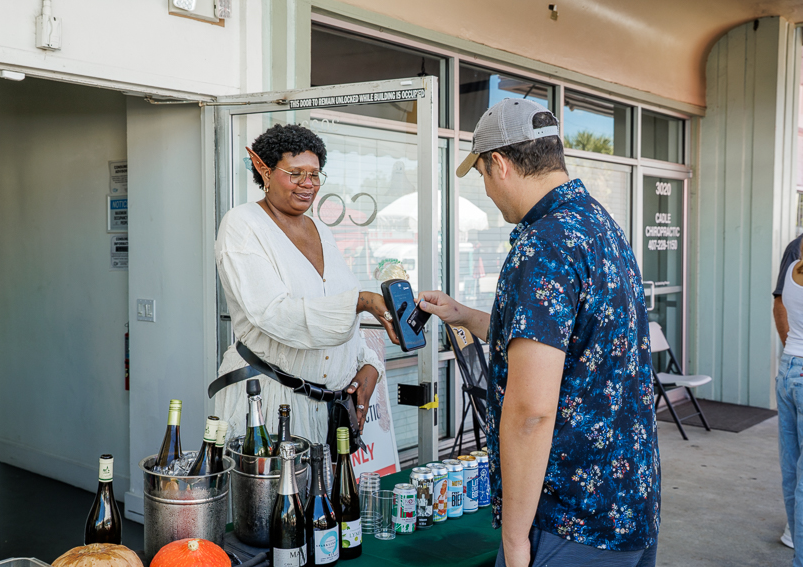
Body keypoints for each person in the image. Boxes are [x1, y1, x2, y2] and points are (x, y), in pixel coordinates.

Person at [417, 99, 660, 567]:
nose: (486, 191)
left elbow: (530, 412)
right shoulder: (599, 225)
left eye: (484, 176)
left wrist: (513, 541)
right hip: (629, 502)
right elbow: (565, 343)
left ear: (500, 164)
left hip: (570, 516)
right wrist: (464, 315)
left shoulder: (543, 245)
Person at [213, 123, 397, 445]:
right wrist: (360, 302)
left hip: (326, 412)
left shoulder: (320, 230)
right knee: (277, 496)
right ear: (264, 170)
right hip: (270, 407)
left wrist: (368, 363)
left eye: (314, 174)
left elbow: (335, 300)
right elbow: (273, 314)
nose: (307, 184)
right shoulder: (243, 225)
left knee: (324, 496)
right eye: (295, 173)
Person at [776, 236, 803, 561]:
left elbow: (781, 307)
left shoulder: (793, 268)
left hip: (788, 369)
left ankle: (795, 542)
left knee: (791, 470)